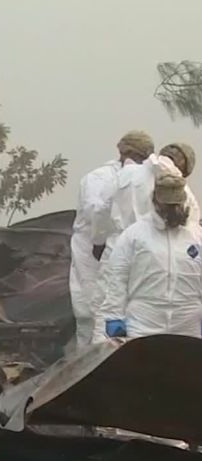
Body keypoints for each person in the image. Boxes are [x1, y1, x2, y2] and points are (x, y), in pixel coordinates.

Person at [69, 130, 155, 349]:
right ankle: (84, 367)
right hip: (96, 250)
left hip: (108, 247)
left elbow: (99, 212)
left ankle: (96, 364)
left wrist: (101, 242)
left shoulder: (115, 176)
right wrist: (99, 242)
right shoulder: (103, 177)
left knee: (104, 309)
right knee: (92, 310)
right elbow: (96, 212)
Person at [93, 173, 202, 343]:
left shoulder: (196, 237)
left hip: (188, 325)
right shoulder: (135, 235)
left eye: (175, 204)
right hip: (144, 324)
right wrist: (113, 318)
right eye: (167, 204)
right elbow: (117, 280)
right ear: (155, 201)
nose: (172, 210)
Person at [118, 143, 199, 234]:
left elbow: (102, 208)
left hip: (117, 242)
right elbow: (192, 232)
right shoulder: (185, 193)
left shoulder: (127, 172)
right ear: (185, 169)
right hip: (160, 244)